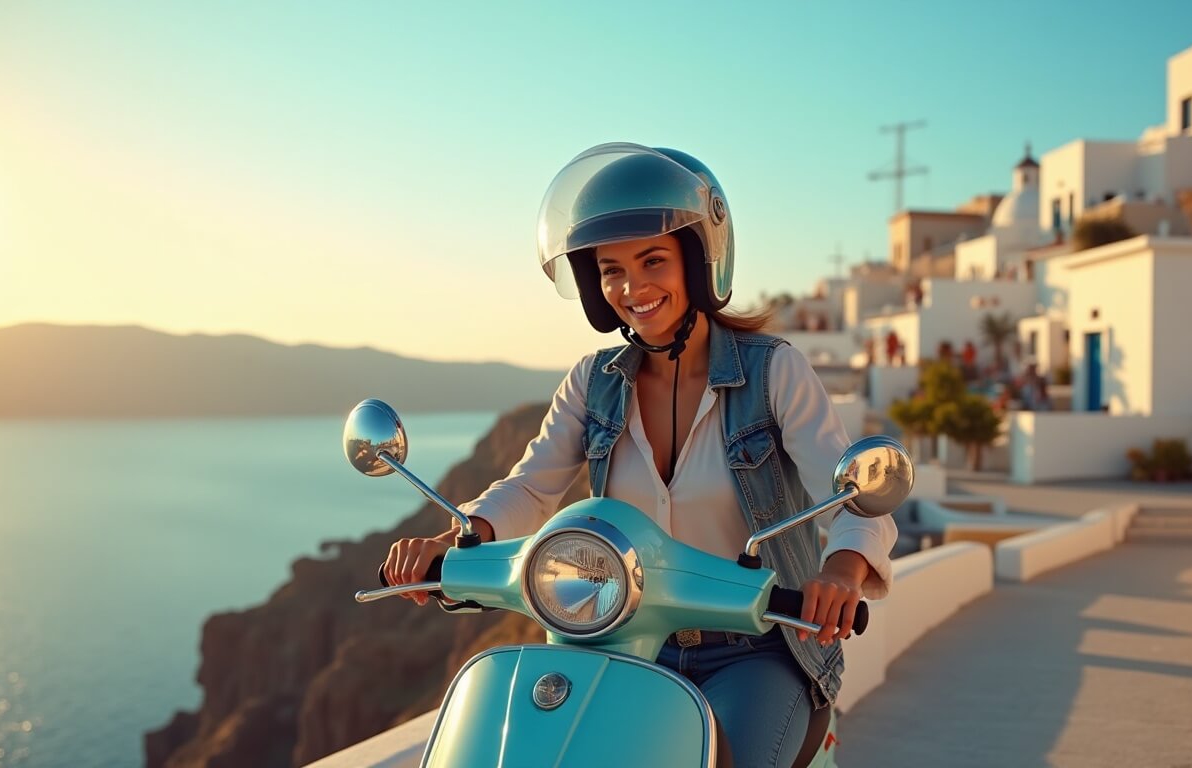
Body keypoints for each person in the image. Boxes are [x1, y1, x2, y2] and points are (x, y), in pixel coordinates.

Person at [382, 143, 897, 767]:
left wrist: (842, 570)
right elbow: (532, 485)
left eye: (653, 260)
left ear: (698, 263)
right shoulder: (592, 383)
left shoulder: (773, 373)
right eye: (611, 270)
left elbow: (851, 496)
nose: (632, 287)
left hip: (756, 646)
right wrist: (457, 539)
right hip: (617, 638)